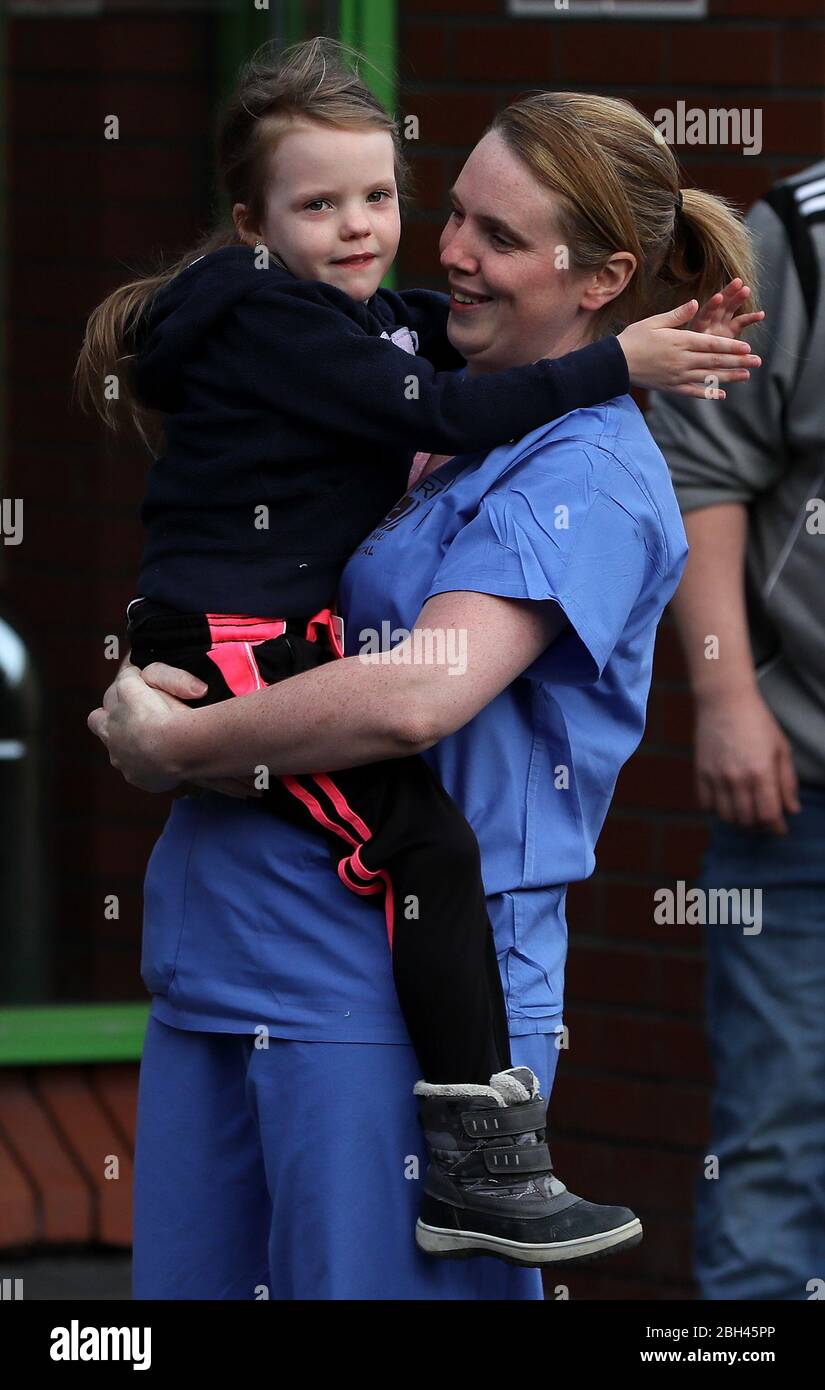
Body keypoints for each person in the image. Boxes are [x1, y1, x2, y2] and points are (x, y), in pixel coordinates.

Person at [76, 38, 757, 1271]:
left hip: (377, 1007)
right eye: (450, 214)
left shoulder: (588, 467)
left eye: (498, 238)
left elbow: (413, 697)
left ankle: (486, 1172)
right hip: (222, 956)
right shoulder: (411, 385)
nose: (445, 252)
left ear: (601, 278)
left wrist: (168, 739)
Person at [646, 160, 825, 1301]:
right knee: (777, 1134)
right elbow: (700, 463)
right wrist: (723, 694)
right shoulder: (803, 236)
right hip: (802, 785)